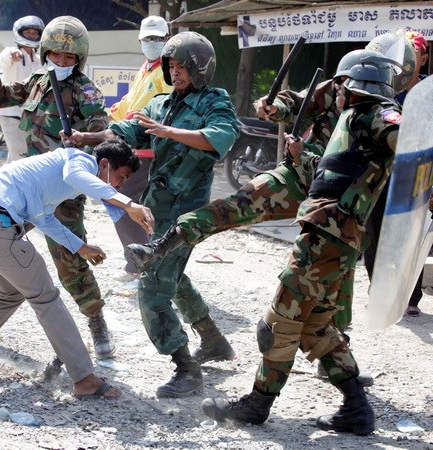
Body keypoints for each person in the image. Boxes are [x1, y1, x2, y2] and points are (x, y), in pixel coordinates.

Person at [126, 31, 417, 385]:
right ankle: (167, 241)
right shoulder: (334, 86)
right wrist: (272, 107)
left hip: (338, 197)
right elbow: (293, 102)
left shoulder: (383, 113)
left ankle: (334, 356)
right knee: (234, 205)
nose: (344, 90)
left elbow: (410, 145)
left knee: (338, 278)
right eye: (345, 82)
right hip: (296, 178)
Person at [200, 49, 402, 436]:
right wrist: (301, 156)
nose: (335, 93)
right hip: (337, 234)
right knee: (315, 326)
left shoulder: (374, 114)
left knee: (279, 321)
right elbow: (338, 174)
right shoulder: (353, 120)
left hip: (329, 234)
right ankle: (356, 408)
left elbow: (406, 136)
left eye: (340, 86)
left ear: (352, 87)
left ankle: (258, 403)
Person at [62, 31, 240, 397]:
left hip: (188, 213)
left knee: (153, 286)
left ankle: (186, 368)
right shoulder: (163, 103)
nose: (175, 73)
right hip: (157, 209)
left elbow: (220, 137)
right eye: (171, 66)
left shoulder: (213, 102)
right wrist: (86, 137)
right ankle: (213, 340)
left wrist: (169, 132)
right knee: (171, 275)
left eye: (182, 67)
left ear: (200, 69)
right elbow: (128, 130)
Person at [0, 16, 119, 360]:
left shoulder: (84, 91)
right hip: (24, 189)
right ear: (45, 52)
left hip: (62, 191)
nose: (61, 62)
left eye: (69, 57)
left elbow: (103, 135)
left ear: (79, 59)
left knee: (70, 258)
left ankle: (96, 322)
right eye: (55, 55)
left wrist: (79, 141)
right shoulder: (37, 80)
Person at [0, 138, 154, 400]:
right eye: (121, 177)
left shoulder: (56, 174)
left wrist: (80, 247)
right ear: (104, 164)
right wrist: (127, 203)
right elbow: (75, 174)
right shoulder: (78, 161)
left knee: (9, 293)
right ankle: (84, 379)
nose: (119, 185)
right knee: (46, 297)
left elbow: (42, 217)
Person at [364, 30, 429, 317]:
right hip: (379, 174)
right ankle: (378, 289)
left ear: (423, 58)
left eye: (414, 55)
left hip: (415, 176)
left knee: (409, 237)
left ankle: (410, 295)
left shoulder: (428, 95)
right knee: (373, 234)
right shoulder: (383, 91)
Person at [109, 15, 172, 282]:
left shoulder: (167, 70)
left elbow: (168, 106)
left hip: (149, 150)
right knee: (134, 205)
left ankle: (139, 264)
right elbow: (130, 102)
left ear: (167, 40)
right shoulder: (146, 68)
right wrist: (115, 112)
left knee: (121, 201)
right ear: (140, 40)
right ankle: (145, 262)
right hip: (134, 146)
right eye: (148, 38)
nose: (153, 43)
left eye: (158, 38)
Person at [0, 15, 44, 164]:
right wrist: (12, 54)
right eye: (27, 32)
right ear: (20, 33)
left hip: (30, 114)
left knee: (20, 154)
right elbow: (5, 56)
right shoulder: (13, 52)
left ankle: (4, 184)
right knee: (19, 153)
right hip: (11, 111)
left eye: (34, 33)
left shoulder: (38, 59)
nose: (31, 35)